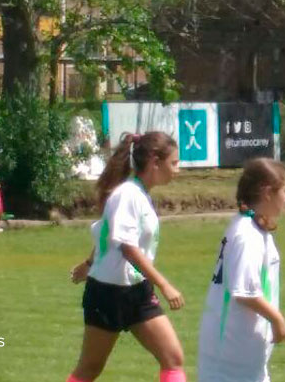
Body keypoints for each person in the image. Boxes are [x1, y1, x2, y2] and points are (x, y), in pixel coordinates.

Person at [65, 132, 187, 382]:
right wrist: (164, 285)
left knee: (173, 358)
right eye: (174, 163)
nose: (178, 169)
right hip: (108, 293)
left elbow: (105, 232)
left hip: (137, 291)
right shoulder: (127, 195)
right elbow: (127, 248)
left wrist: (89, 263)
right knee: (89, 368)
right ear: (154, 161)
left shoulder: (140, 194)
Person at [197, 158, 285, 382]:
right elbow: (245, 292)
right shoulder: (247, 236)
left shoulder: (251, 229)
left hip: (243, 358)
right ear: (268, 192)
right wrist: (277, 320)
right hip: (231, 359)